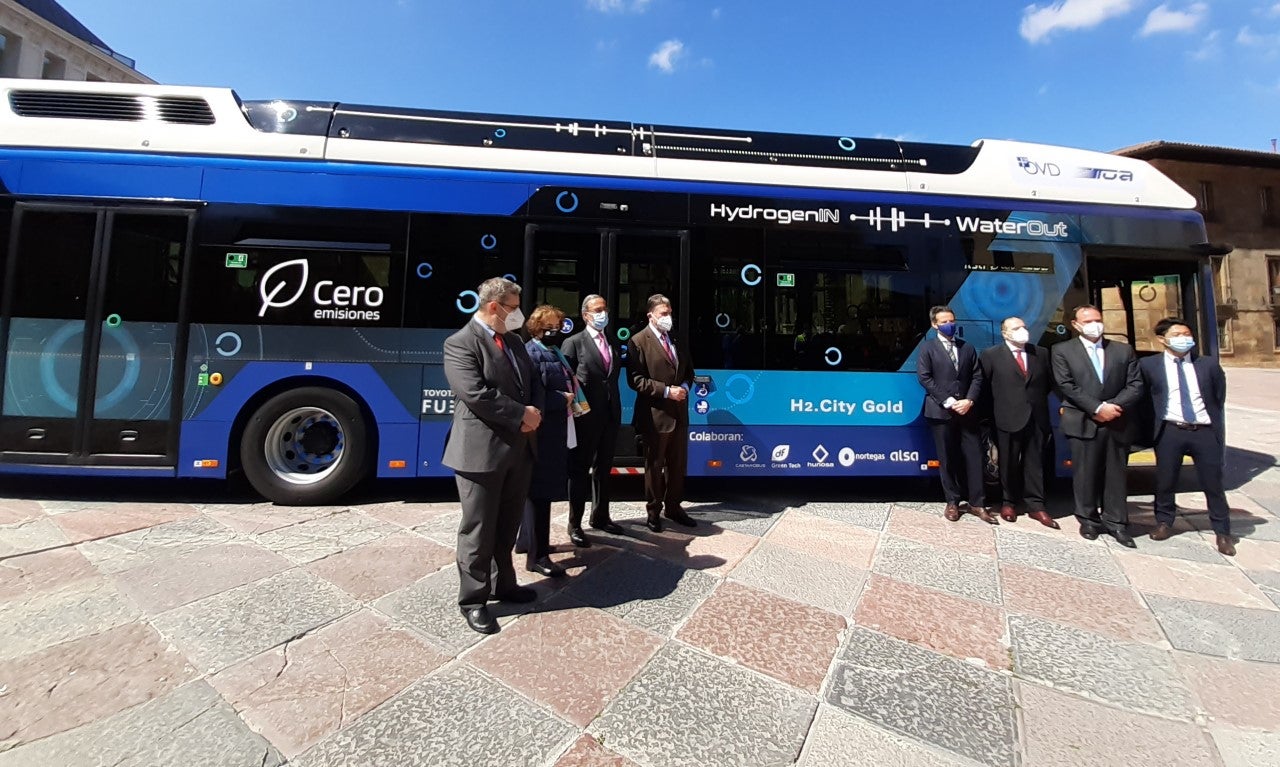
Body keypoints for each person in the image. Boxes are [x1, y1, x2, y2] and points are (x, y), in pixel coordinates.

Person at [442, 277, 543, 635]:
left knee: (507, 524)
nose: (520, 315)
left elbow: (531, 383)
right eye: (514, 307)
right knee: (478, 530)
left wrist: (537, 413)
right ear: (494, 307)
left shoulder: (514, 341)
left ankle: (505, 584)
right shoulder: (460, 343)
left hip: (518, 449)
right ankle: (473, 600)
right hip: (480, 453)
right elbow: (476, 393)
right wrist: (522, 415)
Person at [1139, 318, 1233, 556]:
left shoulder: (1208, 365)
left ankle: (1222, 531)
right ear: (1162, 339)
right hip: (1170, 430)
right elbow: (1145, 399)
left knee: (1213, 483)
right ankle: (1164, 522)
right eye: (1177, 334)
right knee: (1165, 480)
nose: (1184, 338)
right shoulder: (1149, 365)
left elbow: (1217, 396)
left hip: (1204, 430)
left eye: (1187, 333)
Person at [1051, 304, 1143, 548]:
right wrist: (1097, 408)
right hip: (1082, 420)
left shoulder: (1123, 350)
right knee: (1084, 474)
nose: (1094, 324)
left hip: (1117, 420)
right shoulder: (1062, 350)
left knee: (1116, 475)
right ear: (1076, 324)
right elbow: (1067, 385)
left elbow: (1135, 385)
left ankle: (1117, 523)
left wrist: (1112, 407)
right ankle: (1088, 520)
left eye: (1097, 319)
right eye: (1088, 320)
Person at [916, 305, 992, 523]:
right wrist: (949, 401)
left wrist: (969, 400)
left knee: (975, 456)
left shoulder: (967, 348)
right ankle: (952, 502)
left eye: (952, 320)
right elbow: (925, 378)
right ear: (934, 325)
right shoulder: (928, 349)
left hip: (967, 411)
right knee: (947, 459)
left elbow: (977, 377)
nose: (950, 325)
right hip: (941, 412)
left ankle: (978, 503)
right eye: (944, 322)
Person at [980, 317, 1058, 528]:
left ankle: (1036, 505)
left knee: (1035, 463)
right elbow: (985, 389)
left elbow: (1049, 384)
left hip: (1037, 418)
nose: (1022, 331)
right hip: (1006, 418)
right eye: (1016, 328)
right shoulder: (991, 356)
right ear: (1005, 333)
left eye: (1024, 327)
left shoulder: (1040, 353)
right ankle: (1008, 503)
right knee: (1007, 463)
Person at [628, 294, 696, 532]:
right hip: (655, 415)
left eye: (669, 313)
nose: (668, 318)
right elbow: (636, 380)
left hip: (679, 413)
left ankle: (674, 507)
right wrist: (667, 392)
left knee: (678, 465)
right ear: (651, 316)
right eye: (663, 314)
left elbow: (689, 372)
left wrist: (685, 387)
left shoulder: (677, 338)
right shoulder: (638, 341)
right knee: (654, 465)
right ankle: (653, 511)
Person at [561, 294, 625, 547]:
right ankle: (574, 523)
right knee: (579, 470)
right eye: (597, 310)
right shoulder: (573, 343)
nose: (603, 314)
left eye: (605, 309)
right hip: (585, 417)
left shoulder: (611, 340)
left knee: (604, 469)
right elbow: (566, 379)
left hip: (610, 415)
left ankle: (600, 516)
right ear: (586, 315)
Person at [517, 305, 575, 577]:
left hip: (554, 429)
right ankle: (538, 556)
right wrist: (561, 400)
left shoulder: (553, 352)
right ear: (539, 326)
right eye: (553, 324)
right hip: (543, 432)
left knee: (538, 492)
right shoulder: (532, 353)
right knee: (539, 492)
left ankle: (528, 542)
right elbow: (532, 394)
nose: (559, 328)